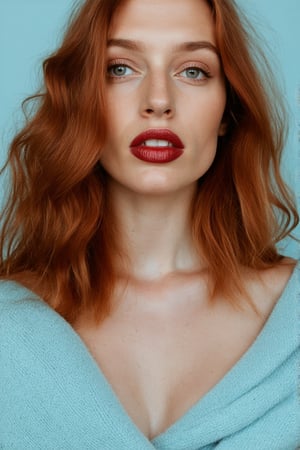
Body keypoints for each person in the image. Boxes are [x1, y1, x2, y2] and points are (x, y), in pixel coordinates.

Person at [0, 0, 299, 448]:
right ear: (83, 99)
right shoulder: (10, 327)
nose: (158, 101)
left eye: (193, 71)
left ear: (228, 112)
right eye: (120, 68)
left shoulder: (291, 320)